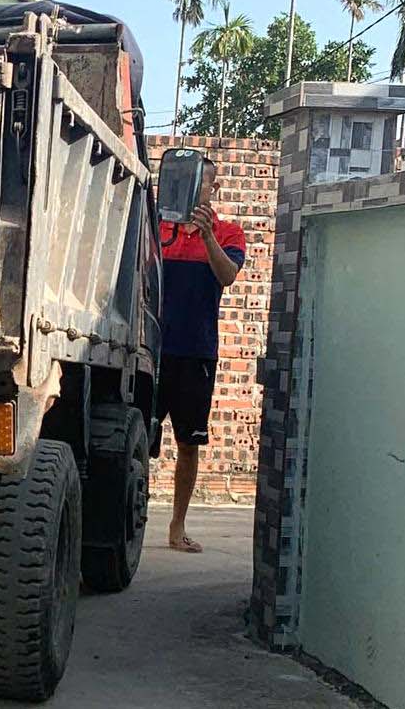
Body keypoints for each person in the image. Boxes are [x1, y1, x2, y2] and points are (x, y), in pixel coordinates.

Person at [156, 155, 244, 553]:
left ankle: (177, 527)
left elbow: (227, 276)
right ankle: (130, 519)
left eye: (203, 185)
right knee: (139, 438)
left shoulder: (228, 233)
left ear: (215, 190)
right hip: (153, 350)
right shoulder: (158, 230)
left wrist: (207, 236)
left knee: (189, 443)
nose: (197, 191)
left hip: (196, 353)